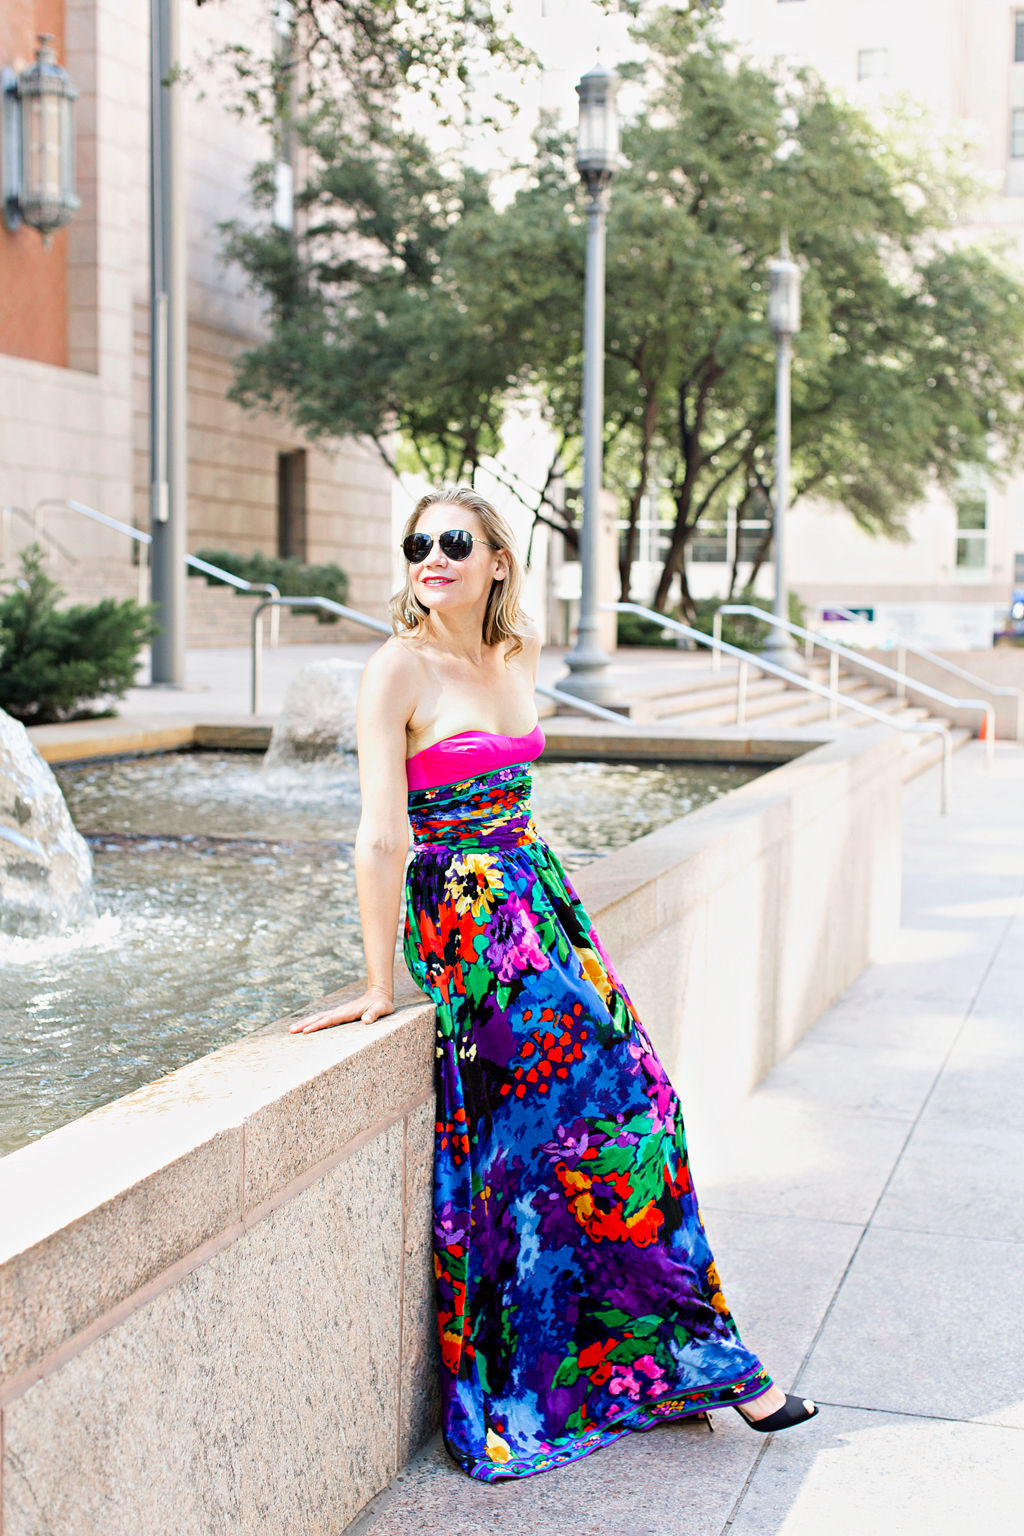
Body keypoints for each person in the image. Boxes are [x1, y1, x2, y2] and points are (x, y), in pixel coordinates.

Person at [290, 486, 818, 1480]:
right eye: (417, 543)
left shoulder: (515, 652)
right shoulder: (395, 667)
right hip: (470, 919)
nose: (431, 557)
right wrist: (376, 978)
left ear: (497, 559)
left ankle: (673, 1357)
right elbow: (379, 834)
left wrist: (550, 910)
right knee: (558, 1135)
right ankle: (687, 1370)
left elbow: (514, 802)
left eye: (454, 541)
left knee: (644, 1110)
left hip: (541, 897)